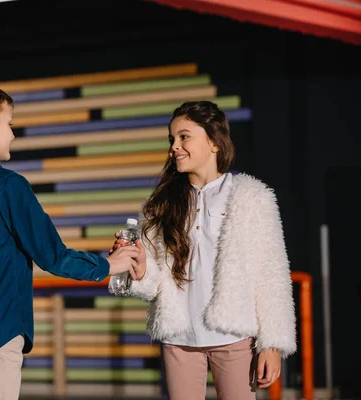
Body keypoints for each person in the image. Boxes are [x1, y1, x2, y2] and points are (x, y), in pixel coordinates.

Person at [0, 81, 140, 400]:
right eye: (8, 124)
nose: (12, 133)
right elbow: (53, 256)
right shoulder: (8, 186)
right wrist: (107, 265)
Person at [110, 100, 296, 399]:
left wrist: (272, 344)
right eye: (172, 139)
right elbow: (153, 280)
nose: (175, 146)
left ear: (214, 142)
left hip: (234, 337)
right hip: (178, 338)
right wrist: (141, 267)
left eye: (184, 137)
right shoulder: (160, 205)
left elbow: (272, 275)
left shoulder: (251, 197)